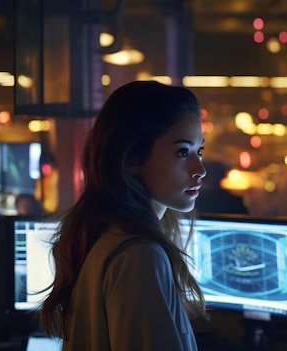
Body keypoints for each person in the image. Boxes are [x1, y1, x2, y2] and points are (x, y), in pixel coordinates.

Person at [39, 81, 206, 351]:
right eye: (182, 152)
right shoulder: (140, 255)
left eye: (199, 151)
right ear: (132, 158)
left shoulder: (104, 237)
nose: (200, 169)